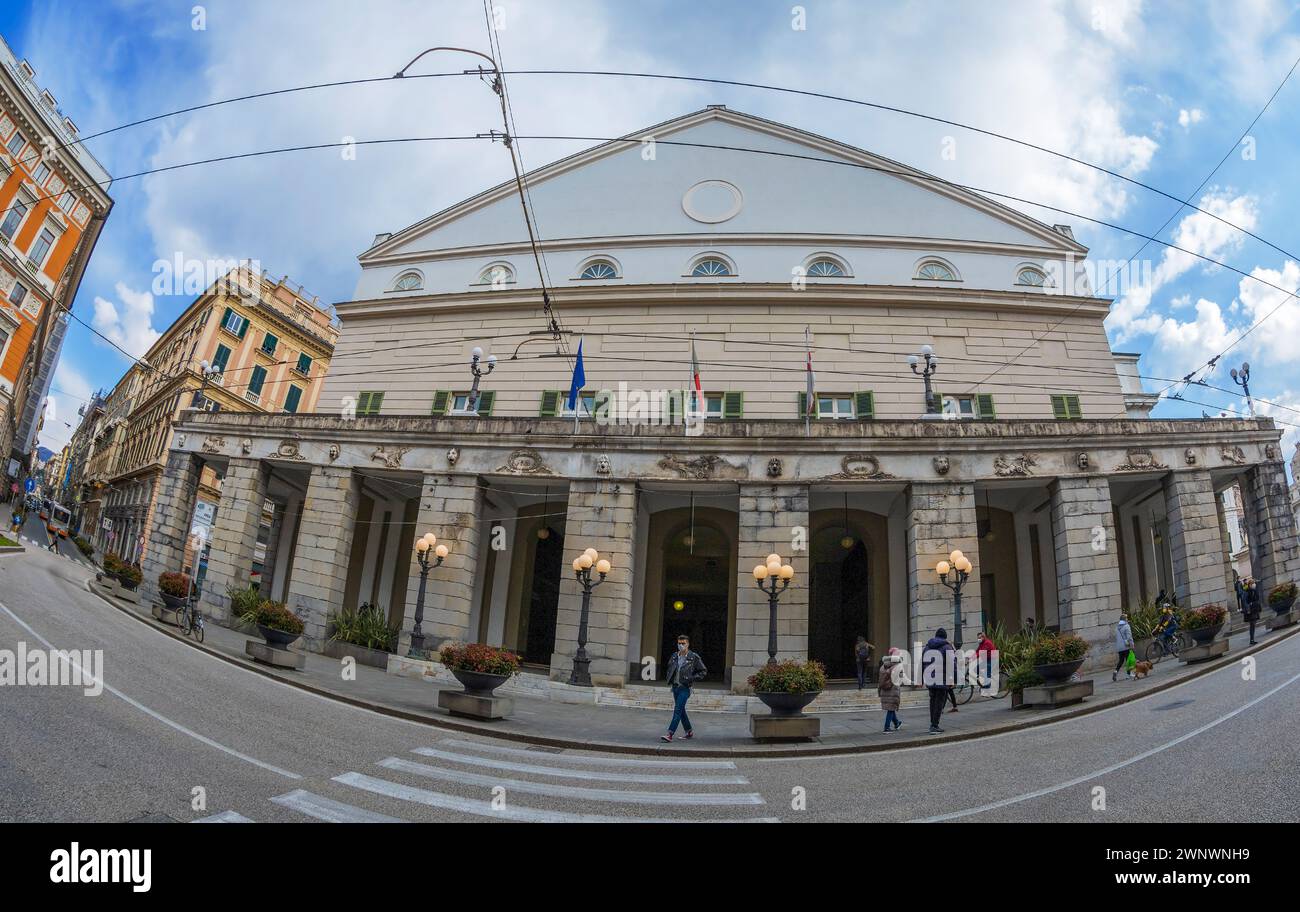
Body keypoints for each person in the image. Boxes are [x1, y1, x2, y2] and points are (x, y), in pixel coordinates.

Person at [660, 634, 707, 743]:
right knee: (681, 710)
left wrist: (692, 678)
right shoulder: (674, 656)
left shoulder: (693, 657)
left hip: (685, 688)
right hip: (675, 687)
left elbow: (703, 671)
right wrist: (670, 679)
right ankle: (689, 731)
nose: (681, 645)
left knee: (677, 710)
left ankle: (670, 734)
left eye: (683, 643)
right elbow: (669, 668)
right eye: (679, 643)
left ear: (688, 644)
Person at [922, 627, 954, 733]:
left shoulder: (927, 647)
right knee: (939, 702)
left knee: (932, 701)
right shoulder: (947, 647)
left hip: (930, 679)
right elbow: (952, 664)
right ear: (945, 637)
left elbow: (922, 663)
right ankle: (934, 725)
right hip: (942, 679)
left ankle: (933, 723)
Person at [878, 647, 904, 732]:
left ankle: (897, 723)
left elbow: (880, 679)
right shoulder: (897, 666)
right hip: (893, 690)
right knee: (891, 708)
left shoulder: (883, 665)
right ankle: (887, 727)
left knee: (891, 707)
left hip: (884, 690)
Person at [1113, 613, 1135, 682]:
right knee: (1128, 660)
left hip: (1119, 647)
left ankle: (1116, 671)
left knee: (1121, 660)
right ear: (1125, 619)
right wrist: (1132, 645)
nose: (1127, 619)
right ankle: (1129, 674)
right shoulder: (1126, 626)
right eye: (1127, 618)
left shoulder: (1116, 627)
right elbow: (1129, 637)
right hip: (1126, 646)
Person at [1242, 577, 1262, 646]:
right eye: (1253, 583)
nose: (1254, 584)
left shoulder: (1255, 591)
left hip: (1255, 609)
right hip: (1250, 610)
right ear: (1250, 585)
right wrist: (1248, 610)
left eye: (1254, 583)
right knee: (1252, 624)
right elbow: (1245, 602)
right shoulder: (1246, 592)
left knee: (1253, 625)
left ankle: (1252, 639)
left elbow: (1257, 600)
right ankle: (1251, 640)